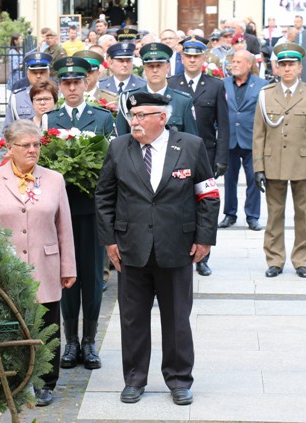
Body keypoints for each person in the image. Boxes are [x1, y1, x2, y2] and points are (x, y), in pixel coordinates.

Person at [95, 91, 219, 406]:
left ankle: (179, 380)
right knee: (133, 319)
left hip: (177, 248)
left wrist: (204, 238)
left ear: (161, 118)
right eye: (132, 116)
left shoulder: (191, 146)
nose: (134, 121)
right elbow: (104, 197)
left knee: (177, 318)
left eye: (141, 116)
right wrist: (109, 240)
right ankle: (134, 379)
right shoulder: (119, 147)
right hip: (131, 249)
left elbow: (207, 194)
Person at [0, 119, 75, 407]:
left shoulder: (54, 179)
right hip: (6, 268)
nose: (33, 150)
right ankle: (13, 379)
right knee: (8, 326)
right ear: (10, 148)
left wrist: (68, 267)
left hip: (45, 265)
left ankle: (46, 381)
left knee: (46, 324)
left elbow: (64, 226)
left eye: (37, 145)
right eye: (26, 145)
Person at [47, 56, 115, 372]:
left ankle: (89, 341)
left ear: (87, 83)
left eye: (77, 81)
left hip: (92, 209)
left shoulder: (101, 118)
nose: (72, 87)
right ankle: (70, 340)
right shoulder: (49, 119)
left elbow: (111, 163)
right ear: (60, 86)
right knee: (66, 275)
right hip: (59, 211)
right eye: (66, 82)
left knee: (91, 275)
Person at [253, 43, 306, 279]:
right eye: (282, 65)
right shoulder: (265, 95)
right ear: (276, 67)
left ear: (299, 67)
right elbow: (259, 134)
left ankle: (302, 260)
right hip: (273, 163)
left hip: (302, 165)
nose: (286, 69)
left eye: (291, 65)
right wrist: (258, 167)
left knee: (303, 214)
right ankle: (275, 259)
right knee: (274, 215)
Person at [168, 36, 229, 277]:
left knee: (205, 204)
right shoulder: (171, 83)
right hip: (176, 155)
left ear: (204, 58)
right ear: (181, 58)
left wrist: (222, 157)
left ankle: (203, 256)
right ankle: (181, 250)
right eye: (188, 56)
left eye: (197, 57)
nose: (192, 61)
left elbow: (223, 125)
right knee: (179, 205)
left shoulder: (215, 86)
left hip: (205, 155)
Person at [219, 50, 268, 232]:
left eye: (239, 61)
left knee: (254, 180)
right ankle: (230, 214)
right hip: (229, 139)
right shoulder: (222, 84)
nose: (235, 64)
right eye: (233, 61)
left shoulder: (262, 85)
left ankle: (253, 216)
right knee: (229, 180)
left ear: (249, 64)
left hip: (252, 139)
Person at [116, 42, 198, 137]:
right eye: (150, 66)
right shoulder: (129, 98)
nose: (155, 70)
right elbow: (121, 140)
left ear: (167, 67)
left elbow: (191, 141)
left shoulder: (183, 101)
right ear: (144, 68)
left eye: (159, 65)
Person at [3, 52, 53, 133]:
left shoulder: (58, 94)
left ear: (48, 73)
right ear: (28, 74)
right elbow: (7, 129)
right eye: (34, 72)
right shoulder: (17, 97)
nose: (38, 76)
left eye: (42, 72)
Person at [293, 15, 306, 81]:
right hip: (294, 57)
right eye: (295, 22)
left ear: (302, 22)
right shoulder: (291, 32)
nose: (296, 23)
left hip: (304, 58)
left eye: (298, 22)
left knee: (304, 78)